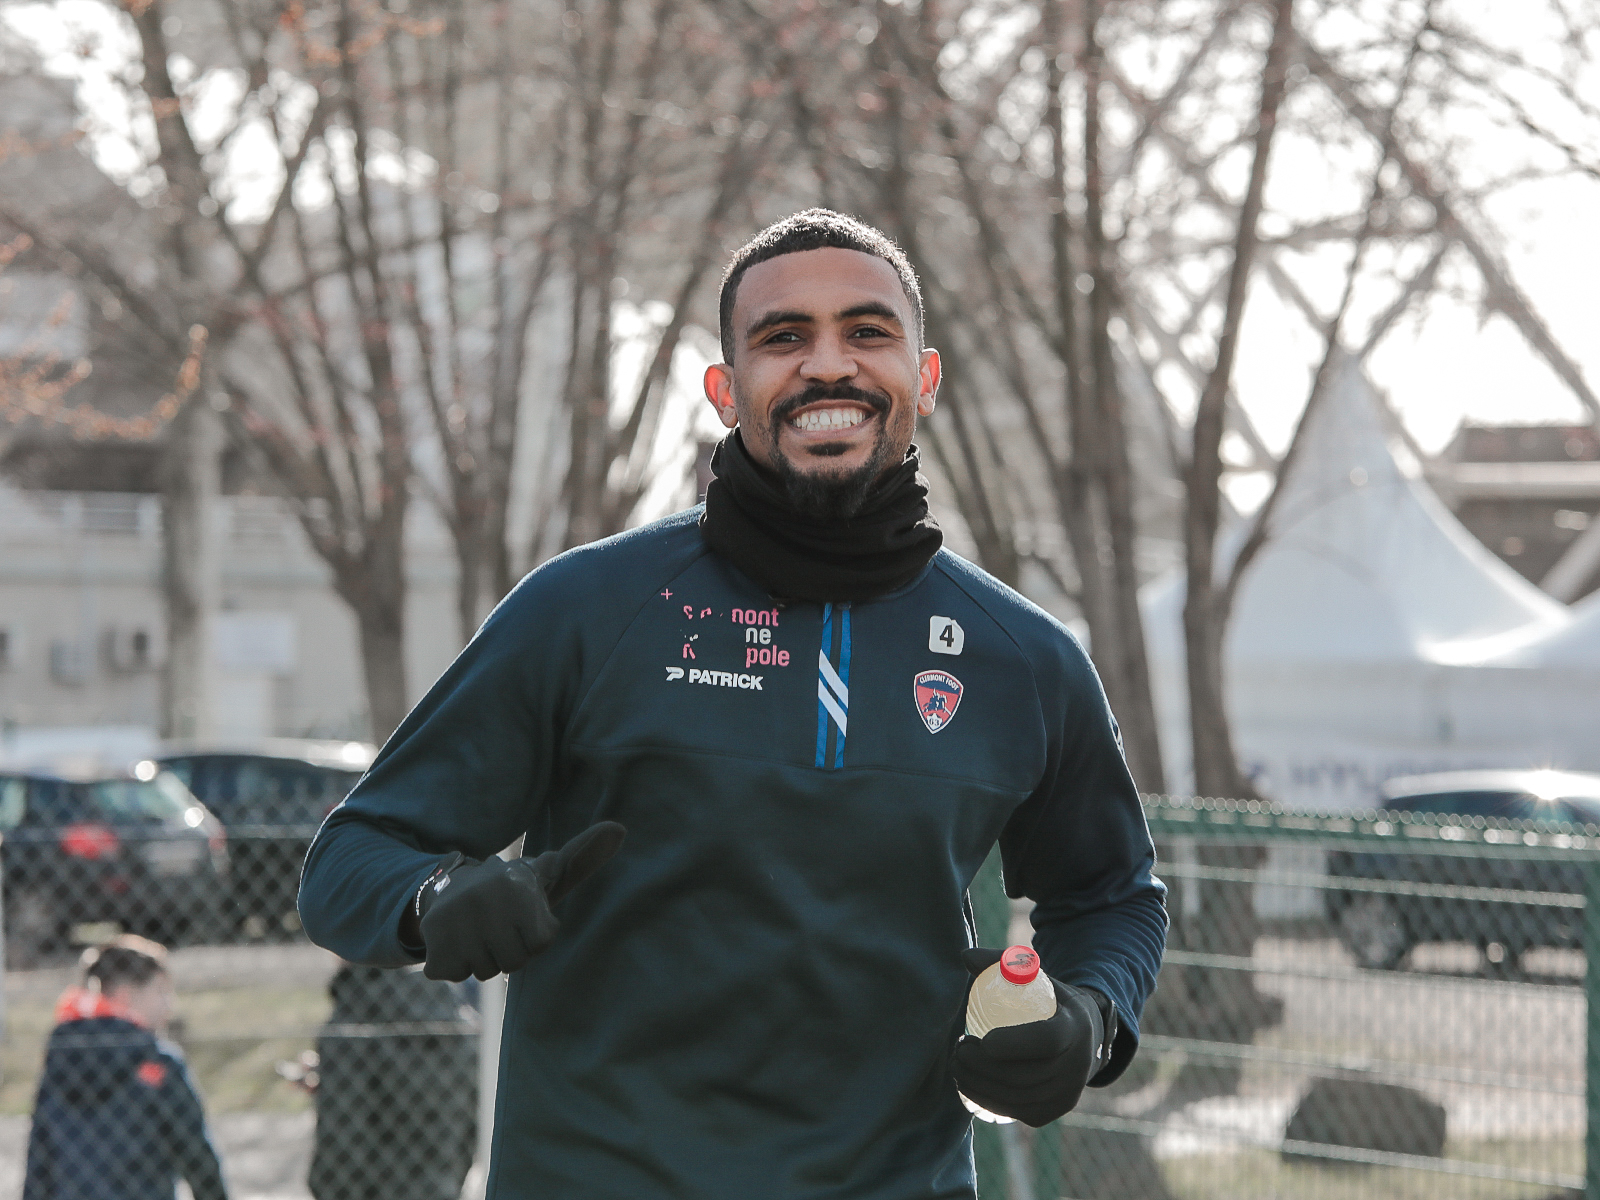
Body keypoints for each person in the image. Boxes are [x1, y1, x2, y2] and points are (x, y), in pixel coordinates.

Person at [299, 208, 1167, 1199]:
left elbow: (1111, 896)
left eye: (867, 332)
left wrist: (1088, 1022)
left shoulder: (1025, 659)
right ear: (725, 390)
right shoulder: (586, 610)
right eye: (782, 337)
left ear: (923, 378)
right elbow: (347, 861)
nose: (826, 365)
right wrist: (433, 899)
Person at [23, 935, 229, 1200]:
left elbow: (40, 1156)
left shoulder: (61, 1058)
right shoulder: (159, 1062)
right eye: (160, 992)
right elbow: (197, 1157)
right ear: (125, 996)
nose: (169, 1005)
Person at [306, 961, 478, 1200]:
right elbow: (470, 1131)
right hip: (441, 1187)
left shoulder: (352, 1020)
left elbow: (340, 1144)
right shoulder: (456, 1020)